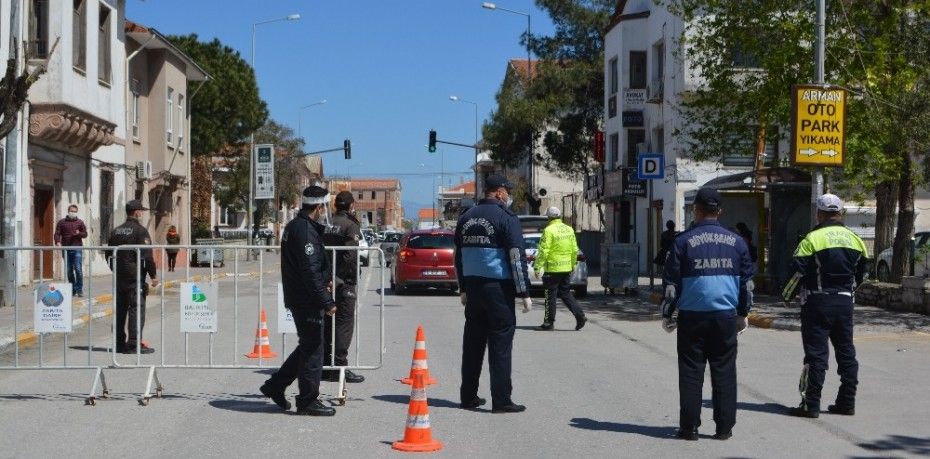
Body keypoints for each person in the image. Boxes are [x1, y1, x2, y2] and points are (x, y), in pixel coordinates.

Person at [662, 187, 754, 441]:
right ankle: (724, 429)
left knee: (691, 372)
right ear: (720, 211)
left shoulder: (682, 242)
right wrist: (743, 313)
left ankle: (689, 428)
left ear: (696, 210)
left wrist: (668, 315)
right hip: (725, 316)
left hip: (692, 317)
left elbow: (671, 286)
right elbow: (747, 285)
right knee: (724, 371)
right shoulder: (737, 243)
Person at [783, 193, 868, 418]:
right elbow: (863, 274)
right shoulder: (856, 239)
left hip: (817, 302)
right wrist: (848, 292)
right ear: (839, 213)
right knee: (846, 352)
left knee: (816, 355)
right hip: (844, 302)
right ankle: (847, 402)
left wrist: (787, 296)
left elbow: (797, 271)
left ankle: (810, 404)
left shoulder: (812, 239)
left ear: (819, 214)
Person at [454, 173, 533, 414]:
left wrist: (464, 287)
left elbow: (458, 255)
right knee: (500, 344)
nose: (508, 196)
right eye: (507, 192)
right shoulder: (506, 217)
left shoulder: (466, 217)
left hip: (474, 288)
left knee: (473, 344)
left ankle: (468, 396)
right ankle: (501, 400)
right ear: (499, 192)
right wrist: (524, 292)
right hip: (499, 288)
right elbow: (516, 256)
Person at [261, 185, 337, 416]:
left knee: (308, 345)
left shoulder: (299, 226)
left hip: (301, 296)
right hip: (306, 299)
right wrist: (326, 301)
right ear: (319, 206)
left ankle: (275, 386)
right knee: (314, 348)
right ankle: (307, 400)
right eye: (325, 206)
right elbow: (310, 271)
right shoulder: (304, 231)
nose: (326, 211)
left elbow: (311, 269)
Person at [320, 191, 365, 384]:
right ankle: (339, 367)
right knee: (344, 324)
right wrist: (338, 278)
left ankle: (325, 365)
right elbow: (350, 256)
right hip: (343, 282)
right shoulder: (350, 225)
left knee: (328, 323)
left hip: (325, 281)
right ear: (351, 205)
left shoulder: (326, 224)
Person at [107, 200, 159, 354]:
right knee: (136, 308)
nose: (142, 214)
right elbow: (147, 256)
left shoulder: (116, 231)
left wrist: (115, 269)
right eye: (141, 211)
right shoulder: (140, 231)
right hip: (135, 276)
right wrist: (153, 275)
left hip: (120, 275)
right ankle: (133, 344)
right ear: (136, 212)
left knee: (121, 310)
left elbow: (109, 254)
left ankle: (118, 343)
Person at [534, 206, 586, 331]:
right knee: (565, 293)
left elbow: (543, 251)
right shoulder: (569, 229)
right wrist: (573, 264)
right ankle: (580, 315)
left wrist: (537, 267)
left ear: (549, 217)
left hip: (552, 269)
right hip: (566, 268)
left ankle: (548, 322)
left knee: (549, 295)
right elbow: (574, 249)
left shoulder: (549, 230)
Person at [54, 204, 88, 297]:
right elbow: (57, 233)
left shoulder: (80, 222)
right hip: (66, 248)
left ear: (77, 212)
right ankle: (72, 289)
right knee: (69, 270)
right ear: (68, 211)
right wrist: (57, 242)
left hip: (77, 248)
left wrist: (79, 233)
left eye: (75, 211)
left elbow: (85, 234)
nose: (73, 213)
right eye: (71, 211)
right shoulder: (61, 222)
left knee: (78, 268)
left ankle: (79, 289)